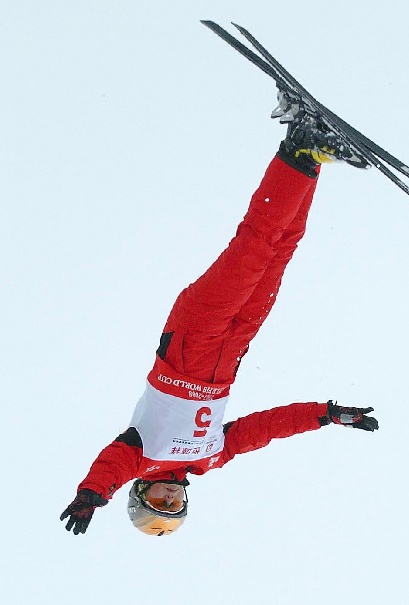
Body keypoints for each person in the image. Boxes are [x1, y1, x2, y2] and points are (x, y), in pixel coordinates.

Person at [60, 92, 379, 537]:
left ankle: (298, 149)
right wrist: (324, 415)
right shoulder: (207, 458)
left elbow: (111, 465)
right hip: (233, 348)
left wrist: (92, 494)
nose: (170, 498)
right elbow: (263, 429)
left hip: (193, 336)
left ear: (140, 493)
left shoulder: (140, 457)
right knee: (281, 251)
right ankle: (310, 157)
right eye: (175, 506)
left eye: (158, 503)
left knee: (255, 245)